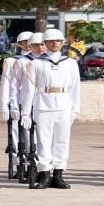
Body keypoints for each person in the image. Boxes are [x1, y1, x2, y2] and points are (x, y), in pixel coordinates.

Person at [20, 29, 80, 189]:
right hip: (43, 104)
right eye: (51, 41)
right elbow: (28, 89)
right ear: (45, 43)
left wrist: (75, 109)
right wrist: (26, 112)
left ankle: (58, 175)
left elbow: (75, 87)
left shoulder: (70, 62)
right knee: (44, 142)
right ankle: (45, 174)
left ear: (62, 42)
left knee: (62, 141)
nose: (55, 43)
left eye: (58, 41)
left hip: (64, 105)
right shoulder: (35, 63)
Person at [1, 31, 32, 178]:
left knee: (31, 134)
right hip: (17, 101)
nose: (29, 43)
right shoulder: (11, 60)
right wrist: (5, 105)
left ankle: (33, 165)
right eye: (25, 41)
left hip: (33, 101)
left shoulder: (40, 59)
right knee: (16, 134)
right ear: (20, 43)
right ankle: (19, 163)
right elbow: (6, 85)